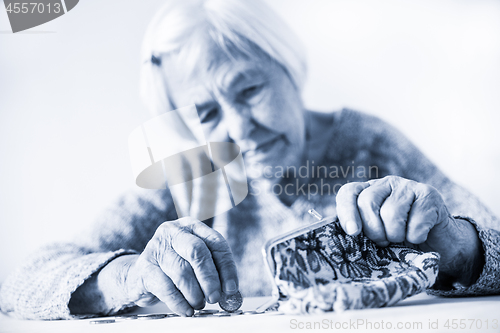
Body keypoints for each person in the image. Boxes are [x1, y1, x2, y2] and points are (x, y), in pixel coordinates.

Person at [1, 0, 499, 320]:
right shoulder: (197, 174)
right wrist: (130, 276)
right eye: (206, 112)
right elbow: (24, 282)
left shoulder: (369, 144)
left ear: (289, 67)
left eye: (251, 88)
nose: (240, 129)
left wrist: (455, 243)